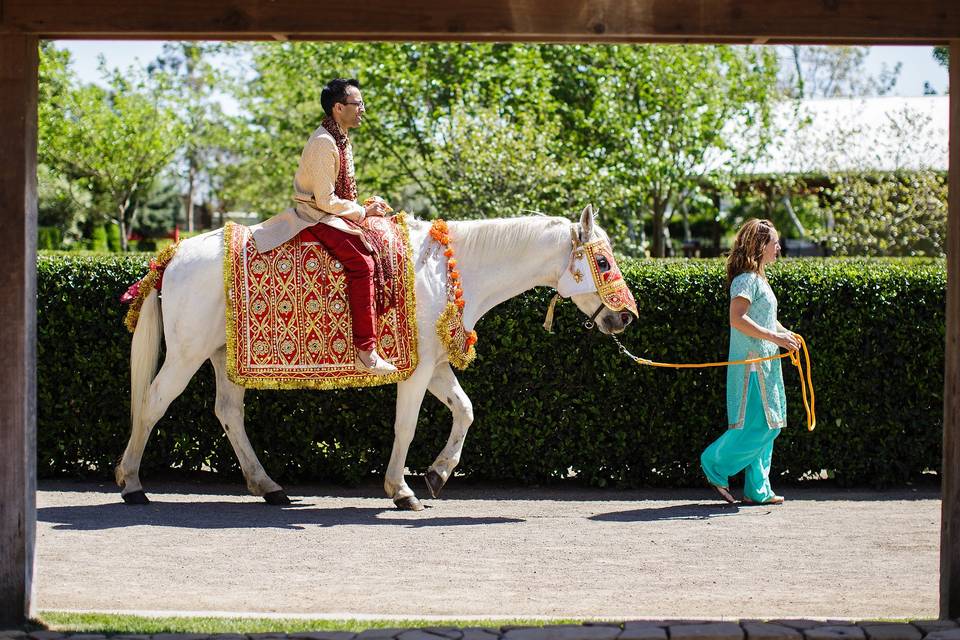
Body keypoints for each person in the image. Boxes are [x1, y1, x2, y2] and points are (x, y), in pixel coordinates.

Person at [251, 78, 396, 375]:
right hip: (315, 214)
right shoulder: (324, 142)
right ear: (338, 107)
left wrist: (364, 205)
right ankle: (365, 351)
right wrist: (362, 211)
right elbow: (326, 200)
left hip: (328, 211)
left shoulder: (340, 138)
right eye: (358, 104)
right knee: (363, 265)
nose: (363, 110)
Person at [701, 219, 799, 505]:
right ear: (760, 246)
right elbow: (738, 318)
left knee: (767, 422)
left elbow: (764, 317)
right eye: (774, 242)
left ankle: (758, 489)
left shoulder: (759, 279)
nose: (779, 247)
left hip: (765, 362)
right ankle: (714, 463)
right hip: (752, 363)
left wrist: (784, 333)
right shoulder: (745, 279)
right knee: (765, 425)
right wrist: (775, 337)